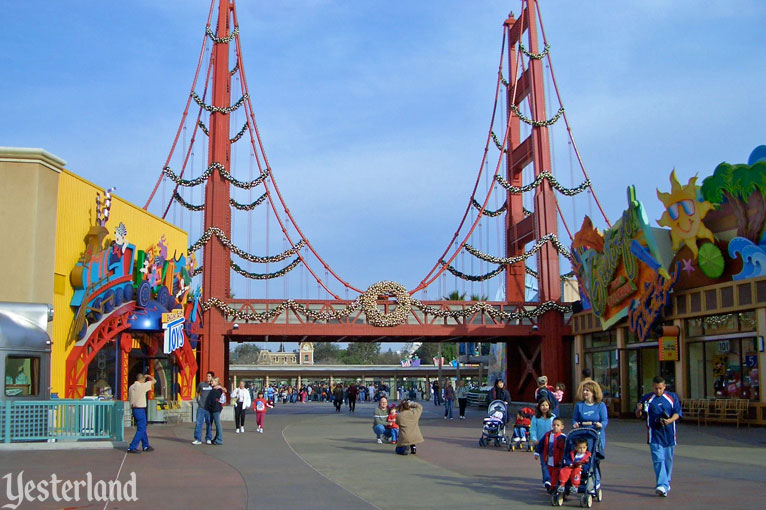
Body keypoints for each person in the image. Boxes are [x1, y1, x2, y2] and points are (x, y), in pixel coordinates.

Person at [635, 376, 682, 498]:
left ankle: (666, 481)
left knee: (668, 460)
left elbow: (677, 413)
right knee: (658, 459)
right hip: (654, 434)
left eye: (660, 388)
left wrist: (670, 420)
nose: (658, 391)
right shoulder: (647, 398)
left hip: (669, 434)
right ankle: (662, 485)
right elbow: (639, 415)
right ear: (652, 387)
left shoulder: (672, 397)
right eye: (656, 388)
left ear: (664, 387)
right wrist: (639, 410)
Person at [572, 380, 608, 488]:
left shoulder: (600, 405)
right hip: (583, 435)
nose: (585, 393)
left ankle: (595, 481)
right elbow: (574, 419)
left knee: (594, 459)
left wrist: (601, 425)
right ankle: (580, 479)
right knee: (582, 458)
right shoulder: (579, 405)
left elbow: (605, 420)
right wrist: (575, 424)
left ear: (593, 392)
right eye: (584, 390)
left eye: (587, 390)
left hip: (596, 435)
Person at [534, 417, 566, 491]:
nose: (555, 427)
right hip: (548, 458)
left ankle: (552, 485)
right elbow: (541, 444)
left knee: (556, 473)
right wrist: (537, 452)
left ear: (562, 427)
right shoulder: (548, 435)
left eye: (558, 425)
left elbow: (566, 448)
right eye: (554, 425)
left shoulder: (563, 437)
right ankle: (549, 483)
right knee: (549, 471)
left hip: (558, 460)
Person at [127, 373, 156, 453]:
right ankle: (132, 446)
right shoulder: (142, 386)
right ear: (142, 379)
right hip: (140, 409)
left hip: (134, 409)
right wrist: (149, 376)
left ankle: (145, 445)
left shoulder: (131, 387)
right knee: (141, 429)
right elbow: (154, 381)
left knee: (141, 428)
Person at [530, 399, 556, 489]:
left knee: (552, 462)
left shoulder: (553, 417)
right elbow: (533, 429)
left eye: (546, 405)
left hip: (552, 442)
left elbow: (557, 428)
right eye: (542, 405)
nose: (544, 407)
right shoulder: (535, 418)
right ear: (539, 407)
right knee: (544, 463)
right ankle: (546, 480)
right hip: (541, 443)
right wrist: (534, 439)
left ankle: (553, 479)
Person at [192, 371, 214, 445]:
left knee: (209, 423)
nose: (208, 377)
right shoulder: (201, 384)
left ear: (212, 377)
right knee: (199, 423)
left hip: (209, 408)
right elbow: (197, 392)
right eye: (207, 376)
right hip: (201, 406)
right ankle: (198, 439)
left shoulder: (213, 385)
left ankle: (208, 438)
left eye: (209, 376)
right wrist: (197, 400)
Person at [205, 377, 225, 445]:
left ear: (217, 382)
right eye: (211, 381)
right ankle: (216, 438)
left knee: (217, 424)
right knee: (214, 423)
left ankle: (219, 439)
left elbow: (214, 399)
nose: (211, 382)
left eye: (212, 381)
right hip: (213, 408)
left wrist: (210, 405)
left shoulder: (218, 389)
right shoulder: (213, 389)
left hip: (215, 408)